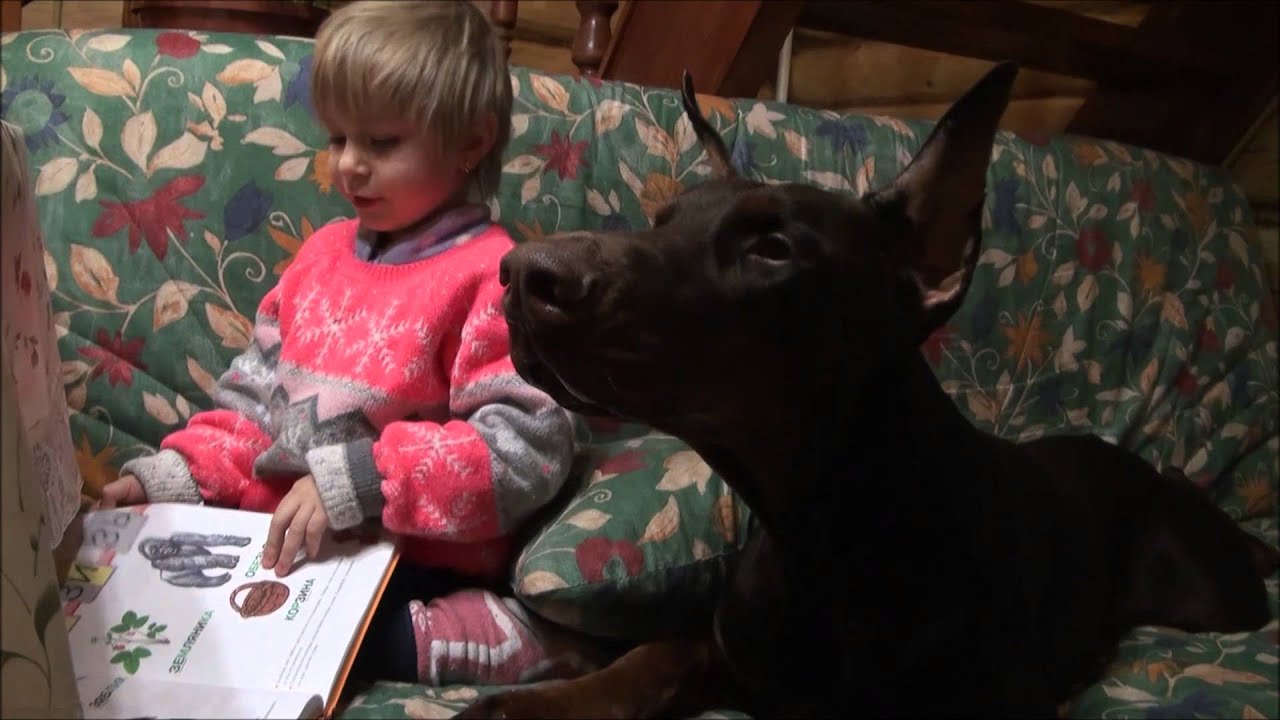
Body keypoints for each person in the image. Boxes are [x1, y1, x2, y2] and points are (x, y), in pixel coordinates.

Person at [99, 0, 584, 685]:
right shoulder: (319, 256)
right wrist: (172, 478)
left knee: (324, 650)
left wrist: (365, 480)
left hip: (403, 560)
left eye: (381, 143)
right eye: (337, 139)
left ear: (471, 143)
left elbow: (527, 447)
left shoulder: (490, 276)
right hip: (278, 544)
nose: (349, 166)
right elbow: (250, 406)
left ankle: (480, 633)